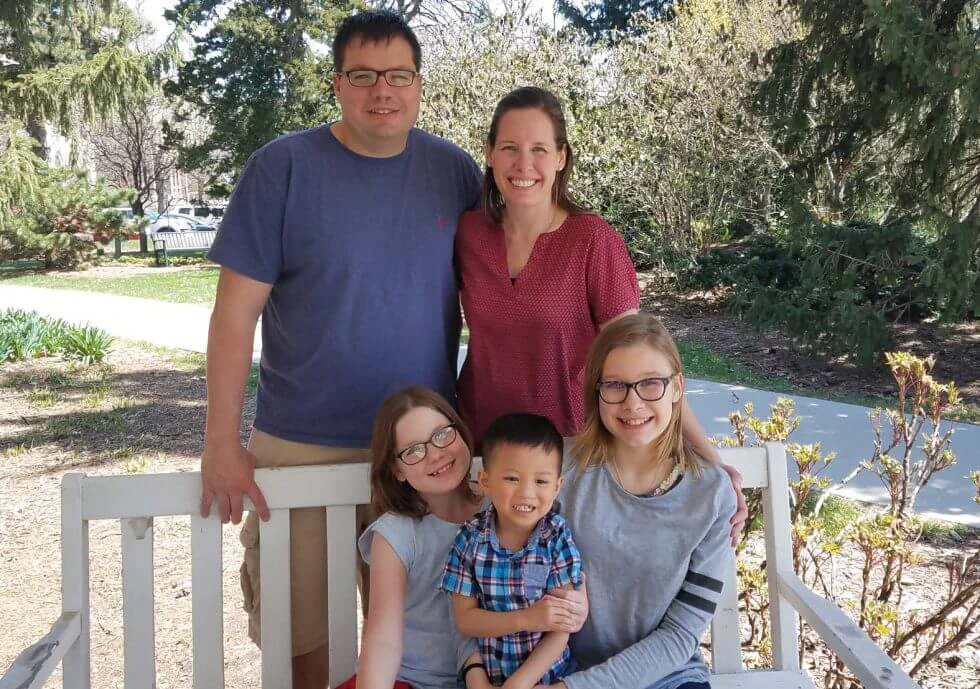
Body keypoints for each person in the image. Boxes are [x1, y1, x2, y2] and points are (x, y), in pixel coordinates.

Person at [199, 10, 482, 688]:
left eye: (399, 75)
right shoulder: (282, 169)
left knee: (427, 646)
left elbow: (501, 296)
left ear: (419, 84)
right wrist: (220, 439)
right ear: (336, 83)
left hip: (423, 454)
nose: (382, 91)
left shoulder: (454, 172)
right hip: (302, 445)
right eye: (363, 75)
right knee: (304, 646)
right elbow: (234, 315)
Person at [454, 87, 726, 490]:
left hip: (571, 460)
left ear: (561, 157)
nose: (523, 163)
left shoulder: (593, 241)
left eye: (539, 149)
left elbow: (640, 359)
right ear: (490, 152)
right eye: (509, 147)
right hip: (483, 455)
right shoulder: (468, 234)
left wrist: (712, 462)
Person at [542, 313, 738, 689]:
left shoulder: (711, 495)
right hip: (559, 667)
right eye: (615, 385)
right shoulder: (558, 471)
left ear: (677, 387)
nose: (632, 403)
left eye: (650, 383)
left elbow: (680, 635)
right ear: (596, 391)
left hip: (666, 675)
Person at [352, 388, 588, 689]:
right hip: (419, 680)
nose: (435, 454)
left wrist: (576, 606)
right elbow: (383, 638)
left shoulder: (507, 504)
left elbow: (564, 604)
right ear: (397, 470)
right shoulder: (397, 533)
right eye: (413, 450)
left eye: (441, 435)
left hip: (504, 676)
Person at [441, 413, 583, 688]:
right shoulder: (470, 539)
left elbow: (561, 628)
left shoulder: (557, 538)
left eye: (541, 481)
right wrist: (526, 619)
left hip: (551, 679)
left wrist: (518, 684)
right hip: (484, 679)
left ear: (557, 486)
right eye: (512, 478)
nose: (526, 493)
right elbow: (465, 619)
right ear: (485, 481)